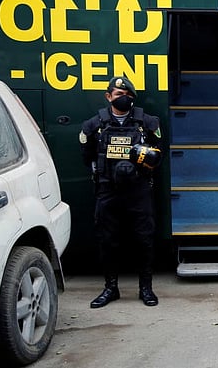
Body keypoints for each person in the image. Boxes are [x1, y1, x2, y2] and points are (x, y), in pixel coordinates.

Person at [79, 76, 163, 307]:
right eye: (118, 95)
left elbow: (158, 156)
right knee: (108, 240)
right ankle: (110, 288)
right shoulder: (94, 125)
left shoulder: (147, 123)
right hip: (108, 190)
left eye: (127, 95)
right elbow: (87, 157)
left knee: (144, 239)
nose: (123, 98)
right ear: (108, 97)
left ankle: (146, 289)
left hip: (139, 189)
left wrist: (147, 159)